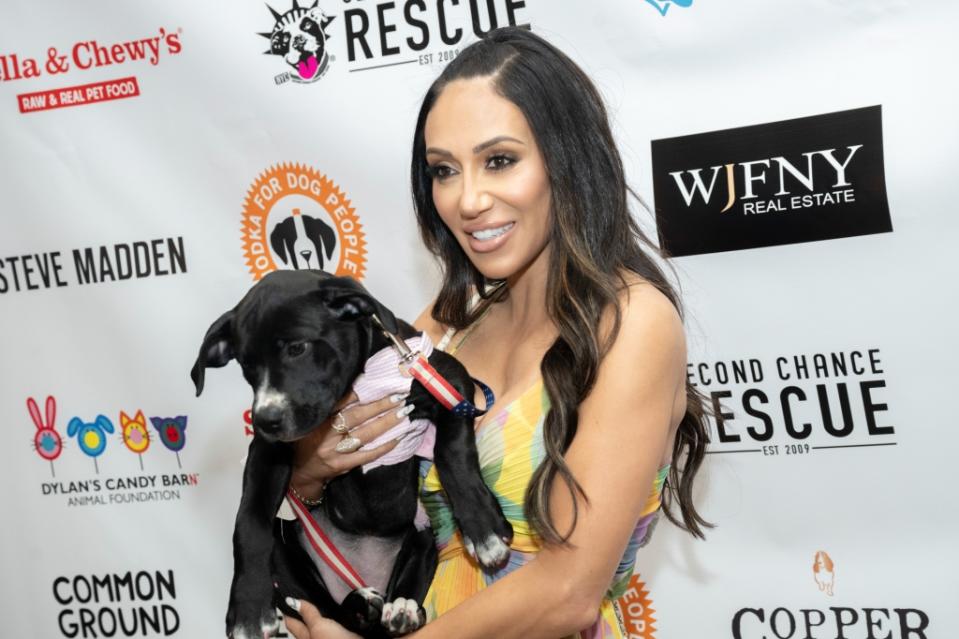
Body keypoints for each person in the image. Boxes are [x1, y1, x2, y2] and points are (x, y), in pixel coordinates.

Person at [284, 26, 710, 639]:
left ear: (566, 161)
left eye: (499, 161)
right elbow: (352, 512)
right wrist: (310, 471)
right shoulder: (447, 324)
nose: (468, 199)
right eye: (444, 171)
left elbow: (568, 592)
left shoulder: (632, 322)